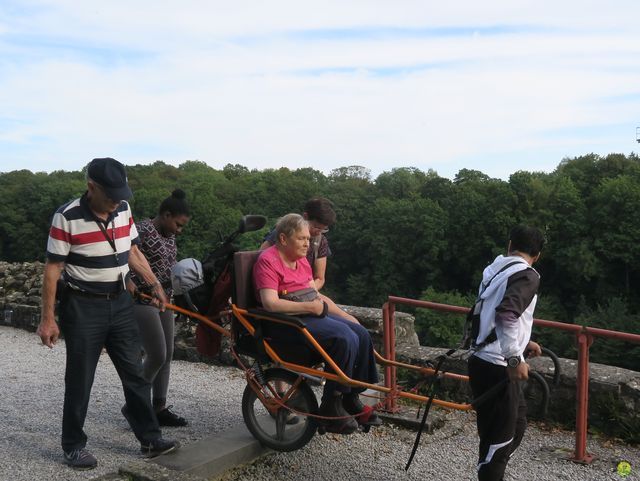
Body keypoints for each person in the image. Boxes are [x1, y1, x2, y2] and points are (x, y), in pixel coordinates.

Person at [36, 157, 179, 470]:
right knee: (80, 378)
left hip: (120, 302)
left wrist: (154, 283)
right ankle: (73, 445)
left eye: (121, 196)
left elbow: (133, 251)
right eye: (111, 196)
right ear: (91, 187)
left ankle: (150, 439)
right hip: (83, 305)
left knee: (135, 372)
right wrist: (48, 319)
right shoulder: (67, 216)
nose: (116, 203)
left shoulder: (123, 209)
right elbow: (53, 269)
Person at [253, 213, 381, 434]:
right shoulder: (268, 260)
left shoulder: (301, 261)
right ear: (283, 239)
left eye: (307, 238)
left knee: (359, 332)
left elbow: (315, 296)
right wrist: (311, 308)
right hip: (285, 323)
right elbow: (270, 303)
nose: (308, 243)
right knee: (344, 337)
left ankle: (350, 396)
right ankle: (331, 406)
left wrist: (344, 315)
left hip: (306, 316)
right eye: (302, 238)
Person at [467, 225, 545, 481]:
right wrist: (514, 356)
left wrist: (524, 342)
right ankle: (490, 470)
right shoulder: (528, 275)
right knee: (497, 443)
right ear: (538, 254)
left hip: (483, 359)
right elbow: (507, 313)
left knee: (517, 425)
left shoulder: (497, 269)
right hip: (498, 366)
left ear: (509, 244)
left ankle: (490, 468)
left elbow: (494, 313)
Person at [127, 189, 190, 427]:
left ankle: (159, 408)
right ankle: (135, 405)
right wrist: (137, 285)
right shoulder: (142, 230)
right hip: (142, 299)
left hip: (165, 299)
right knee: (157, 354)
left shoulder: (169, 235)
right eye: (178, 224)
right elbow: (126, 258)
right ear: (165, 214)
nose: (179, 230)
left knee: (168, 355)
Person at [260, 197, 335, 290]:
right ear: (305, 216)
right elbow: (261, 256)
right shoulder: (284, 232)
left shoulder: (320, 241)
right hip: (278, 289)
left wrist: (308, 293)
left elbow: (319, 278)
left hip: (304, 291)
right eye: (316, 227)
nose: (319, 232)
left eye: (323, 229)